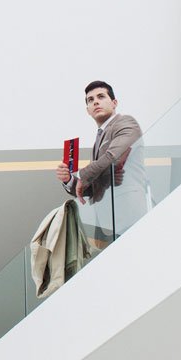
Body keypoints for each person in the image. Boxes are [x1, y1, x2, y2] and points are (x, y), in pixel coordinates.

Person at [55, 80, 148, 240]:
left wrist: (83, 176)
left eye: (101, 96)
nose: (95, 101)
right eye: (90, 100)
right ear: (88, 111)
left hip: (130, 215)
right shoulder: (98, 139)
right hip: (109, 222)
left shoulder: (126, 123)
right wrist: (70, 179)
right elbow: (96, 184)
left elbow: (113, 157)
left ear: (114, 103)